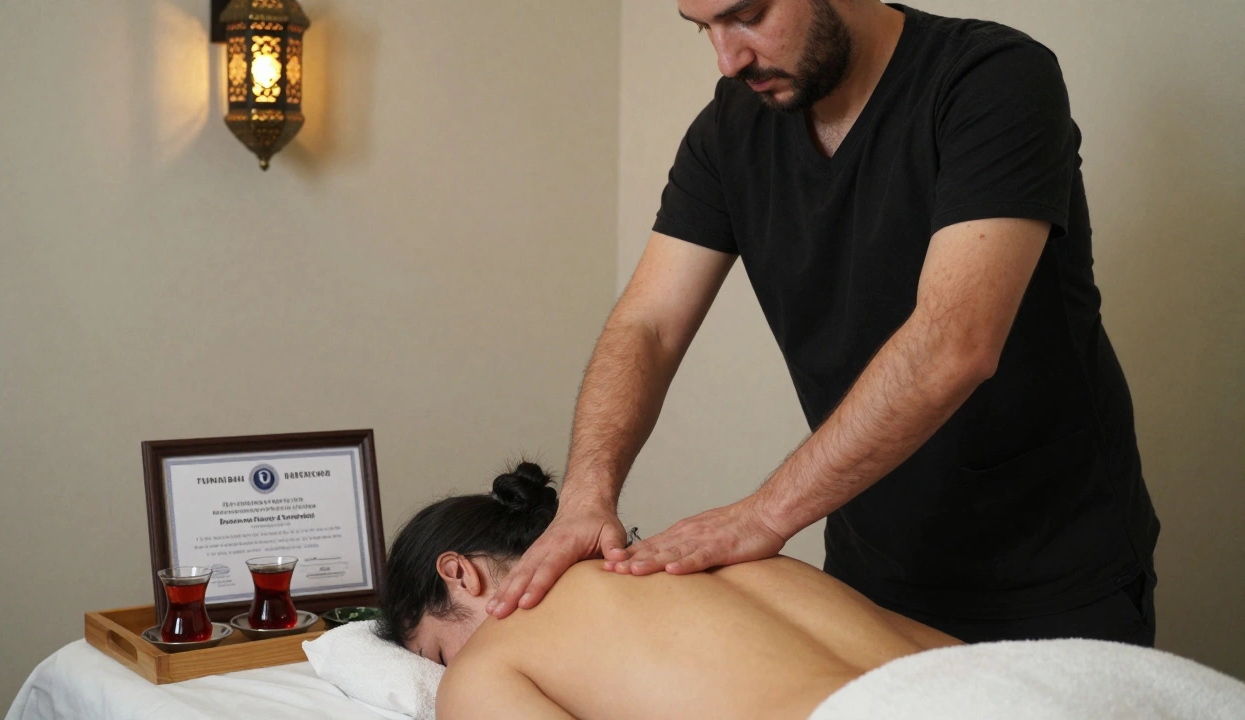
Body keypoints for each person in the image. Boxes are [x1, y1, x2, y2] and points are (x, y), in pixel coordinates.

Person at [487, 0, 1160, 646]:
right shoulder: (729, 132)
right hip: (873, 574)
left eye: (749, 16)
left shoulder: (991, 80)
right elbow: (649, 324)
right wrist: (585, 496)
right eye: (704, 29)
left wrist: (763, 514)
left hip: (1055, 572)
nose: (728, 59)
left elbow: (955, 343)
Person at [378, 463, 962, 720]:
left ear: (459, 574)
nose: (446, 673)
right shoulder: (719, 555)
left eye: (437, 652)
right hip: (1017, 684)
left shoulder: (485, 664)